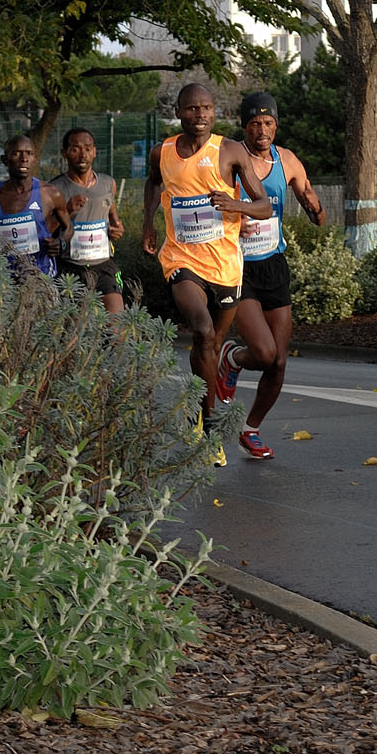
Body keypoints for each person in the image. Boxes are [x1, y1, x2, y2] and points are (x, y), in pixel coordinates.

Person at [142, 83, 274, 468]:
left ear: (214, 113)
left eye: (207, 109)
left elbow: (264, 205)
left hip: (225, 265)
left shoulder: (230, 150)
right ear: (179, 112)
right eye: (192, 109)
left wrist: (235, 204)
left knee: (213, 343)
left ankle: (202, 413)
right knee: (201, 331)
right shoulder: (162, 152)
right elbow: (154, 182)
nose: (200, 115)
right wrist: (149, 224)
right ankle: (208, 428)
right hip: (181, 258)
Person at [222, 91, 326, 460]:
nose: (261, 130)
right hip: (239, 266)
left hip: (274, 264)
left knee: (279, 361)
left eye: (267, 123)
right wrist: (234, 224)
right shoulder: (230, 158)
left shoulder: (289, 160)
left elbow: (310, 200)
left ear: (276, 125)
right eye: (254, 123)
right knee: (264, 353)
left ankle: (250, 428)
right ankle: (233, 358)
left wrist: (315, 211)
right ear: (244, 126)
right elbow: (210, 204)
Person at [0, 135, 69, 280]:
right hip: (5, 281)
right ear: (5, 160)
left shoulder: (50, 194)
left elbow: (69, 228)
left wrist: (61, 243)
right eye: (16, 153)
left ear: (35, 159)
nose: (24, 159)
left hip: (42, 278)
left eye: (29, 153)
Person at [51, 127, 126, 314]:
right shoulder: (54, 189)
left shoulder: (108, 183)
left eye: (87, 148)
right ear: (65, 154)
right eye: (75, 149)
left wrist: (116, 230)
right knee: (74, 331)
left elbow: (114, 221)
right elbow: (45, 229)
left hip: (103, 265)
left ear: (94, 152)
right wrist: (67, 210)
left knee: (117, 327)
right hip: (70, 267)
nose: (82, 154)